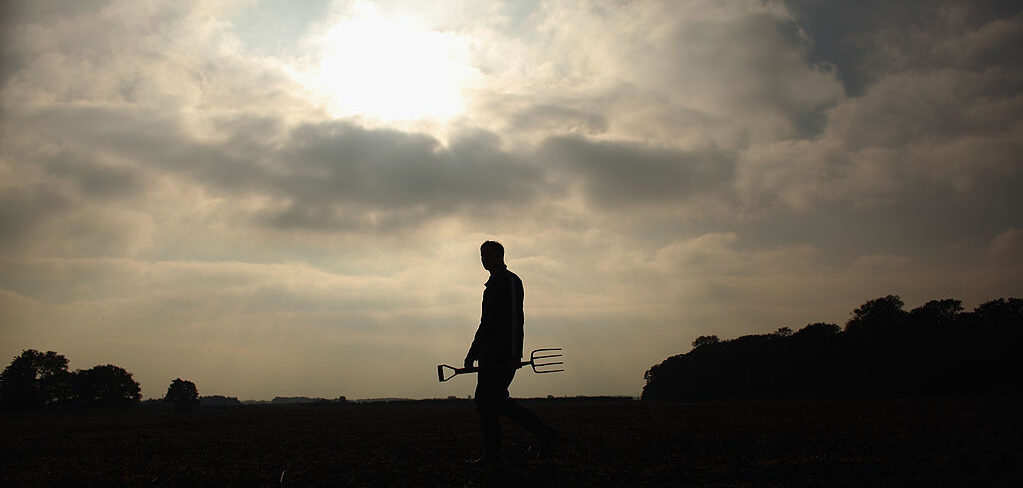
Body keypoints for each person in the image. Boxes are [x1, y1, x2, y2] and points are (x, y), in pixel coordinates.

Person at [465, 240, 558, 466]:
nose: (484, 259)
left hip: (503, 355)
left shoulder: (510, 282)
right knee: (490, 403)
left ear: (500, 256)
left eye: (488, 255)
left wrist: (515, 354)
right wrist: (473, 353)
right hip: (488, 356)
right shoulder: (490, 287)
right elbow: (485, 323)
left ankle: (499, 453)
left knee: (490, 402)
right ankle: (541, 436)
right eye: (481, 255)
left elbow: (516, 319)